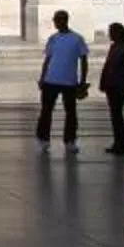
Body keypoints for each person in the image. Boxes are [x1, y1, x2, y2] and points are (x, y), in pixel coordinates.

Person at [36, 9, 88, 149]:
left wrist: (82, 81)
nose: (55, 23)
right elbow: (48, 59)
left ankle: (70, 139)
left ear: (64, 20)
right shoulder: (53, 39)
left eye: (57, 20)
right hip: (50, 80)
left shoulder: (77, 38)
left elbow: (84, 60)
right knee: (46, 111)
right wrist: (42, 77)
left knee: (71, 112)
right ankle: (43, 138)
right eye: (55, 20)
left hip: (69, 81)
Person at [97, 22, 124, 154]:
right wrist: (102, 82)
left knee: (117, 114)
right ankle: (118, 143)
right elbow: (107, 65)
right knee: (115, 115)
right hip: (111, 83)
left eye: (112, 31)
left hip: (120, 84)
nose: (109, 34)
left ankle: (122, 145)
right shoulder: (114, 47)